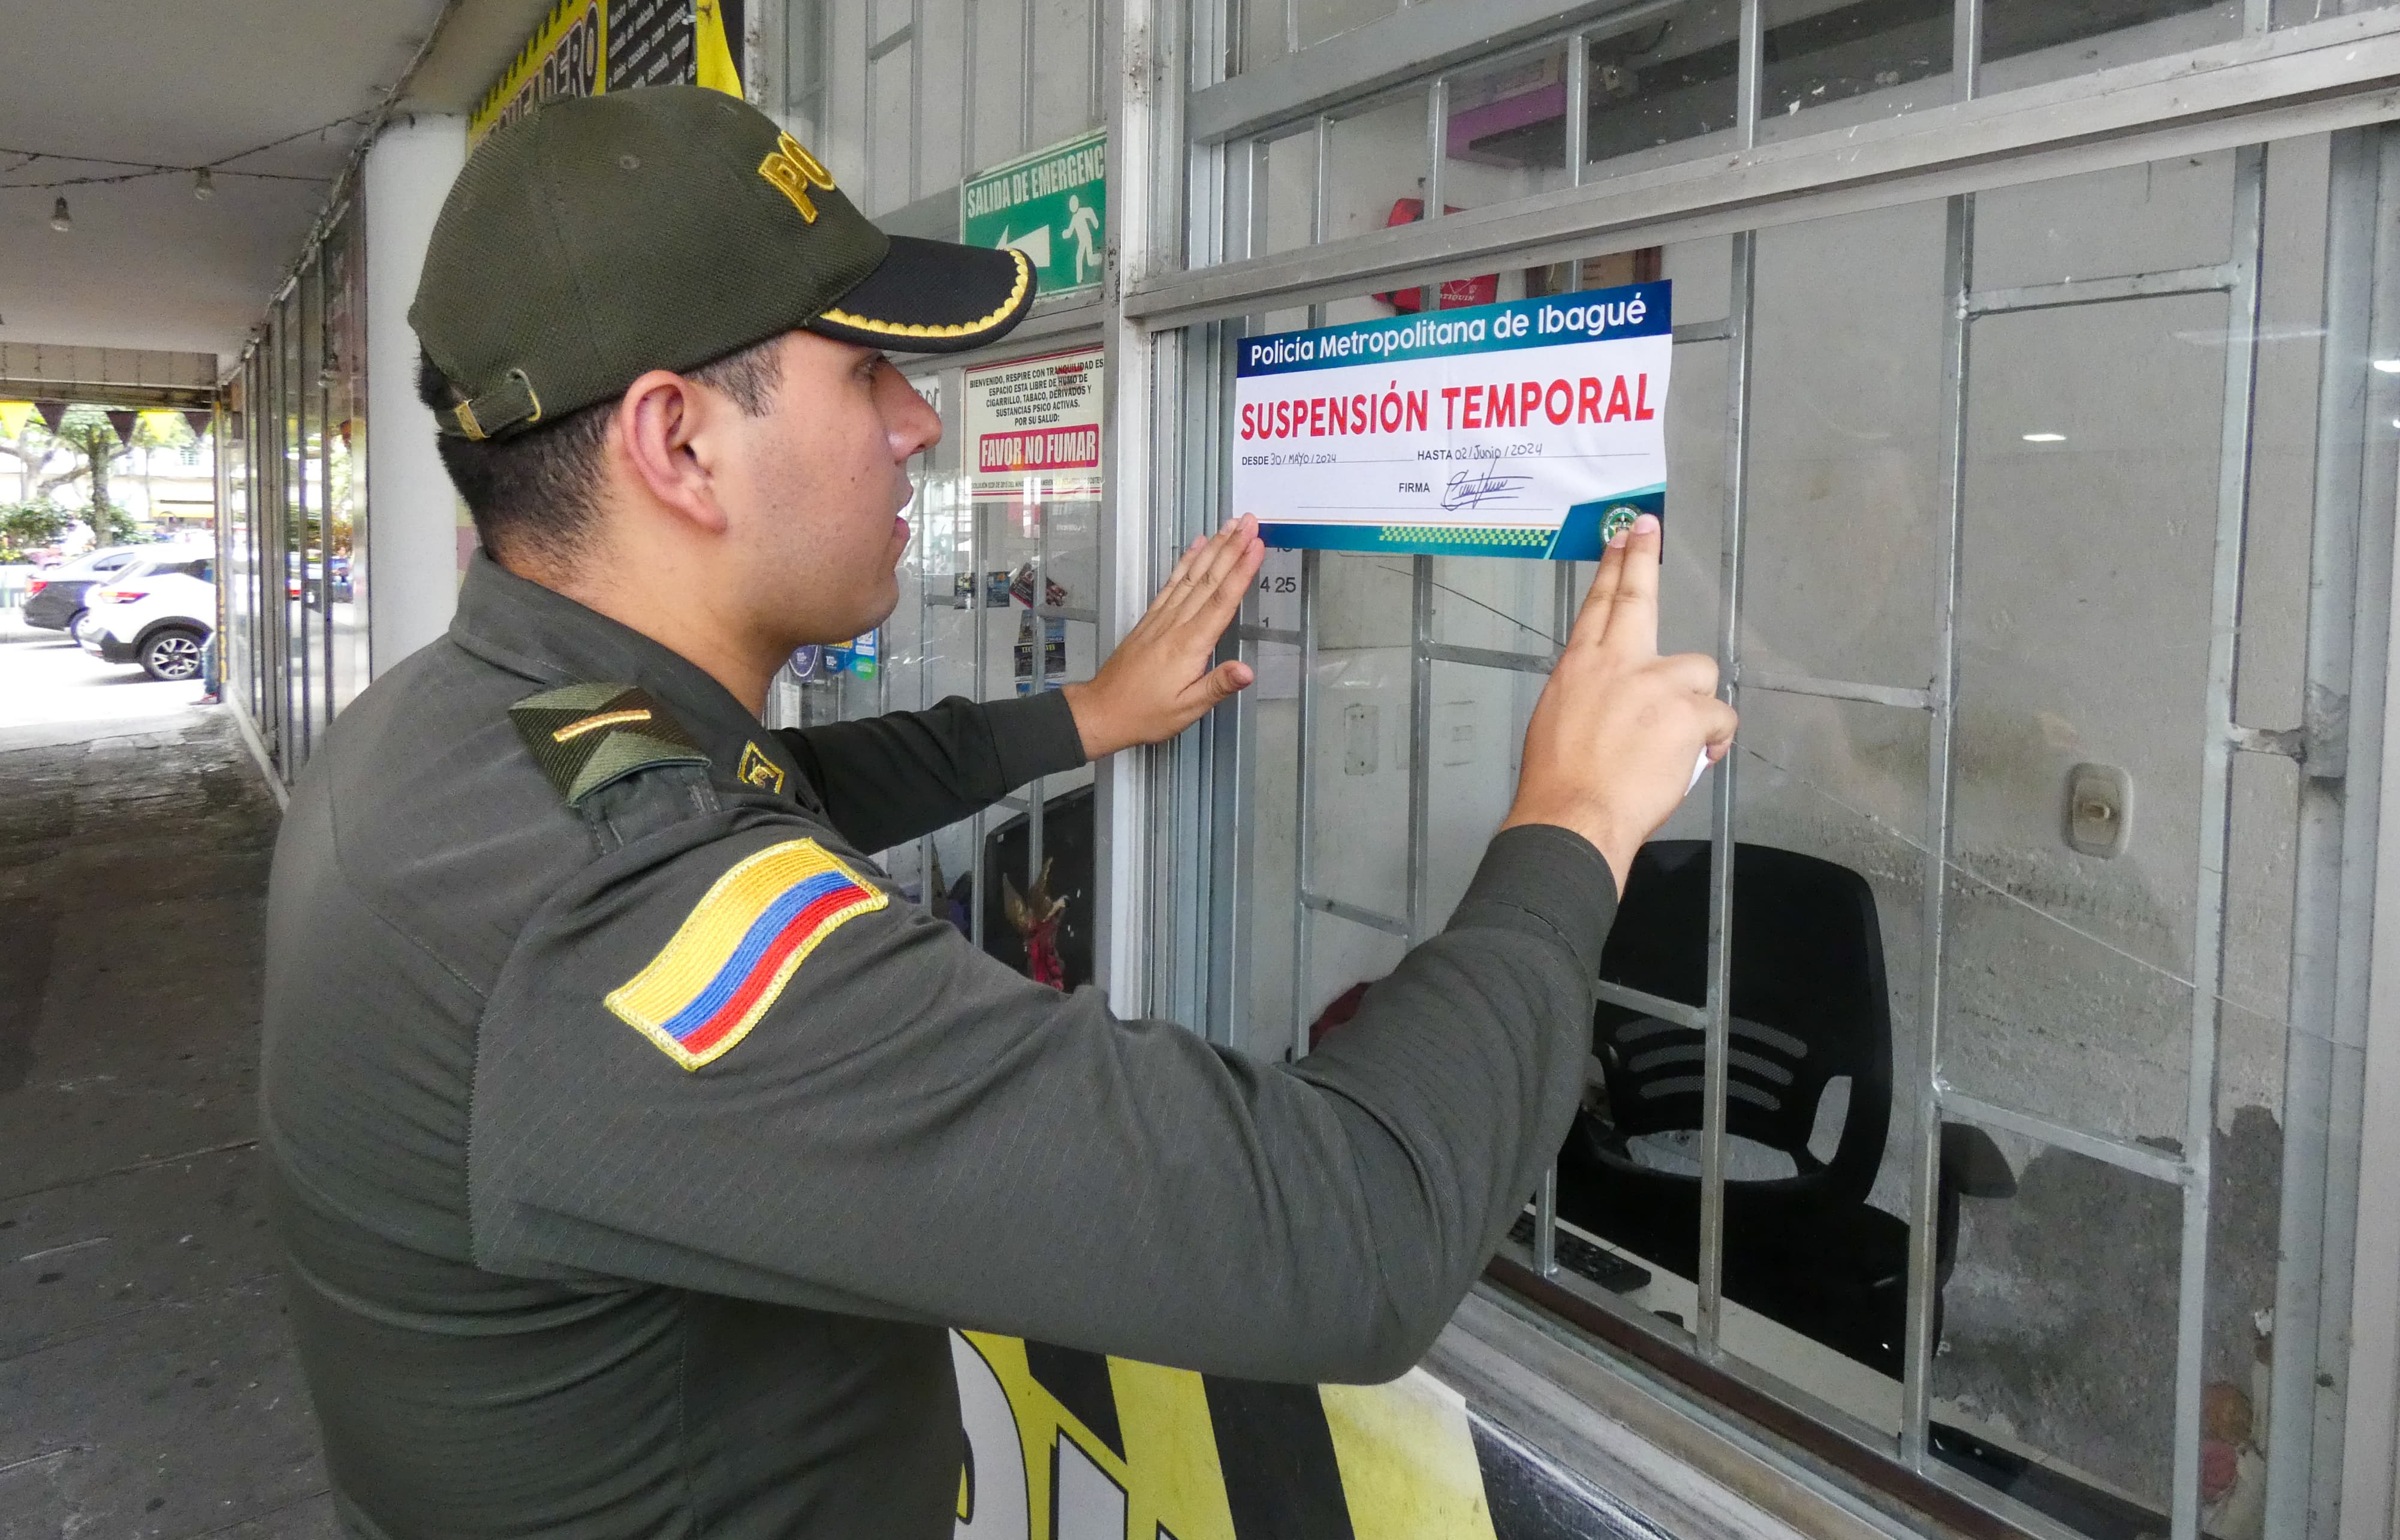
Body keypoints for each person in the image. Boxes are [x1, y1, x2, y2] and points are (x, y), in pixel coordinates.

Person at [259, 85, 1734, 1539]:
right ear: (680, 444)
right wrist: (1575, 817)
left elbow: (785, 790)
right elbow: (1354, 1233)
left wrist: (1083, 716)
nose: (919, 427)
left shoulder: (458, 731)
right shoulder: (612, 923)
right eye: (862, 376)